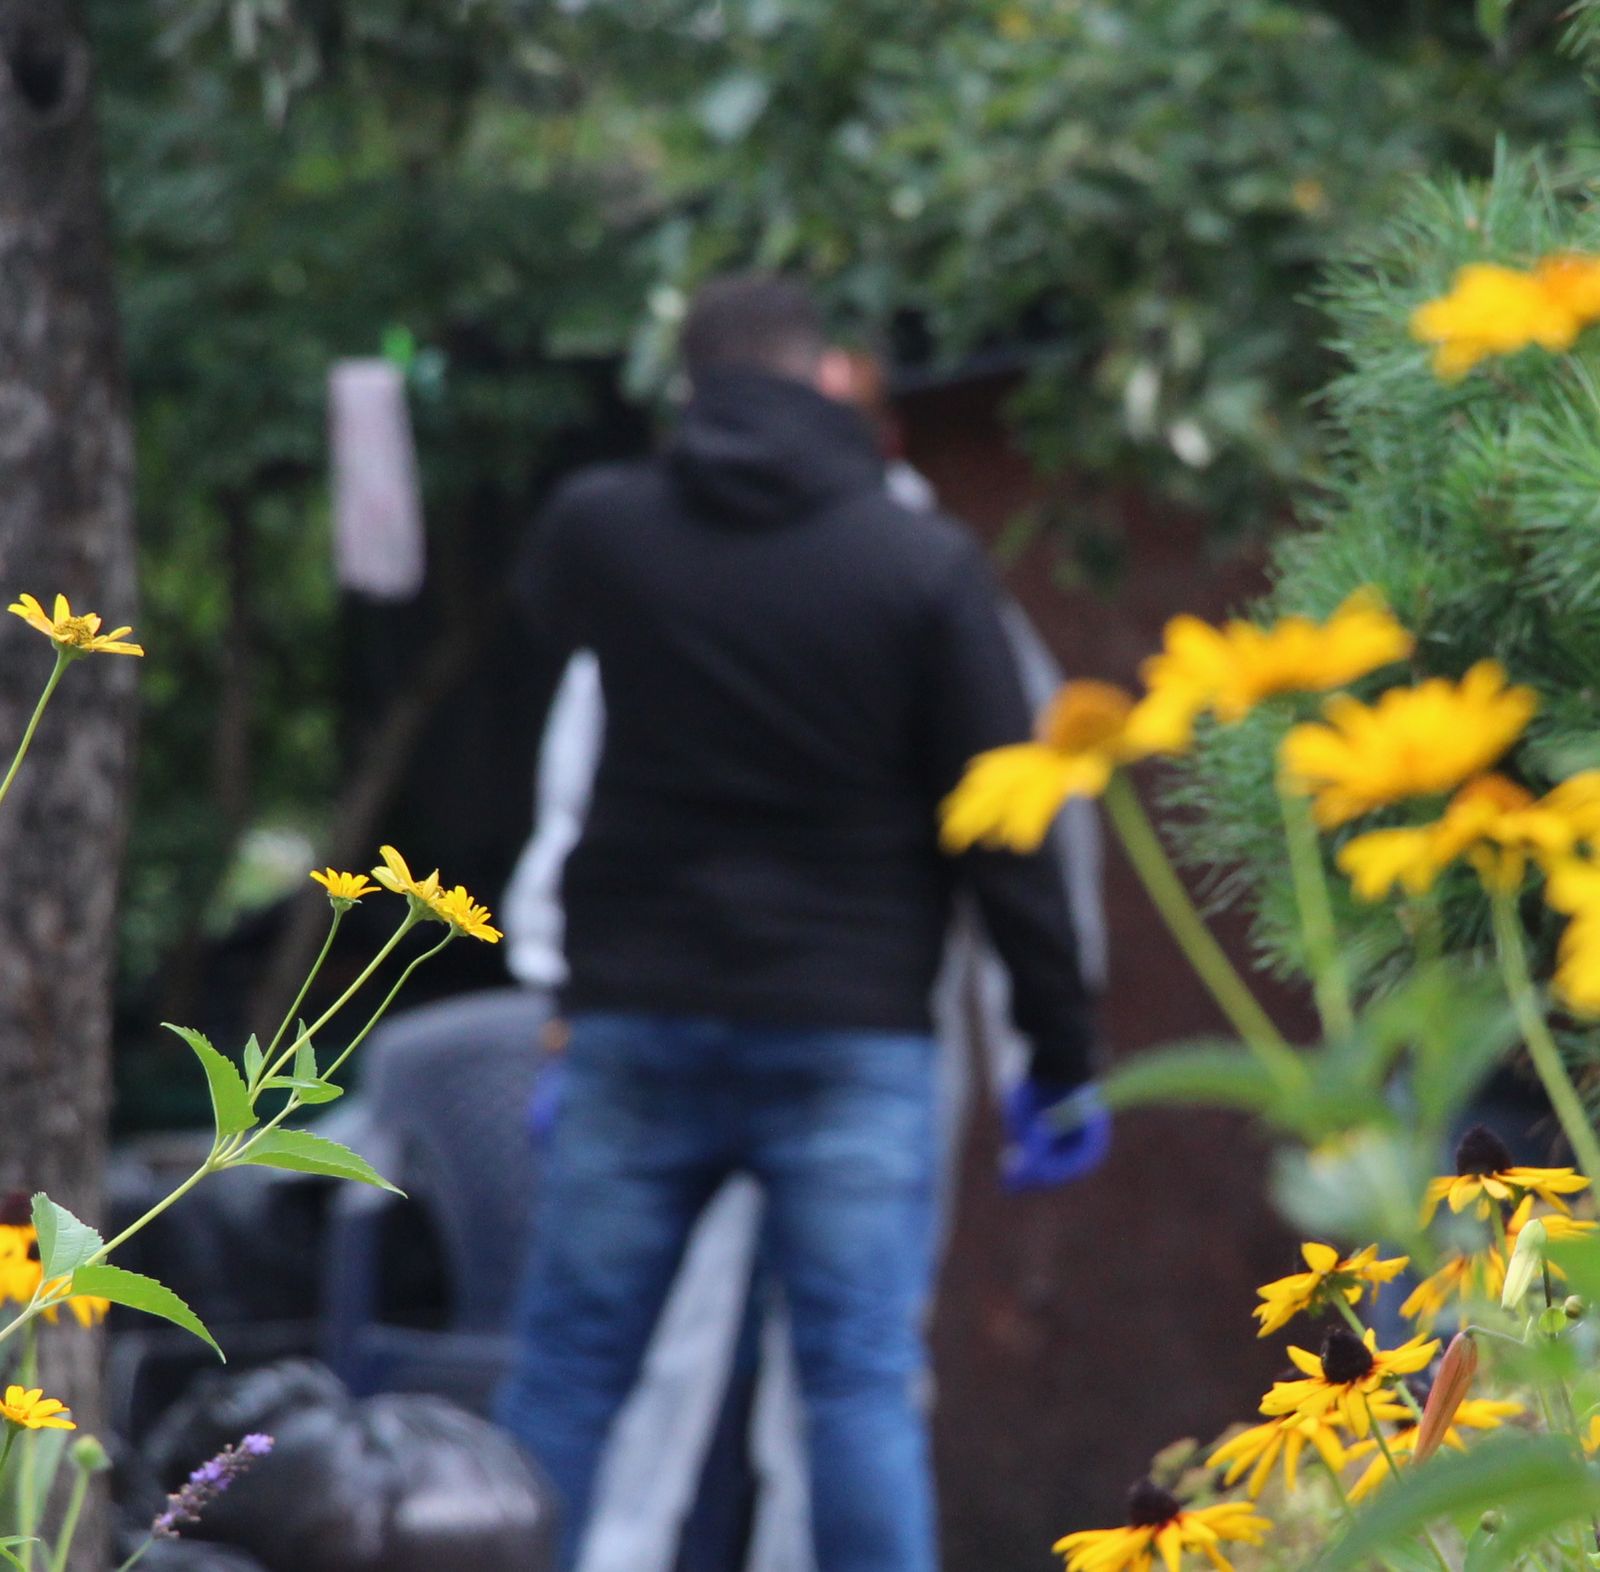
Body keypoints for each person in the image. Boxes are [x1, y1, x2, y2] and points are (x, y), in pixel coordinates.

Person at [495, 273, 1107, 1572]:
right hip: (851, 1036)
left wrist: (562, 1002)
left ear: (691, 387)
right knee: (855, 1394)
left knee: (569, 1377)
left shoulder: (604, 531)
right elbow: (1010, 831)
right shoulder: (923, 568)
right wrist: (1055, 1055)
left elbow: (540, 644)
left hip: (636, 1024)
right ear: (825, 377)